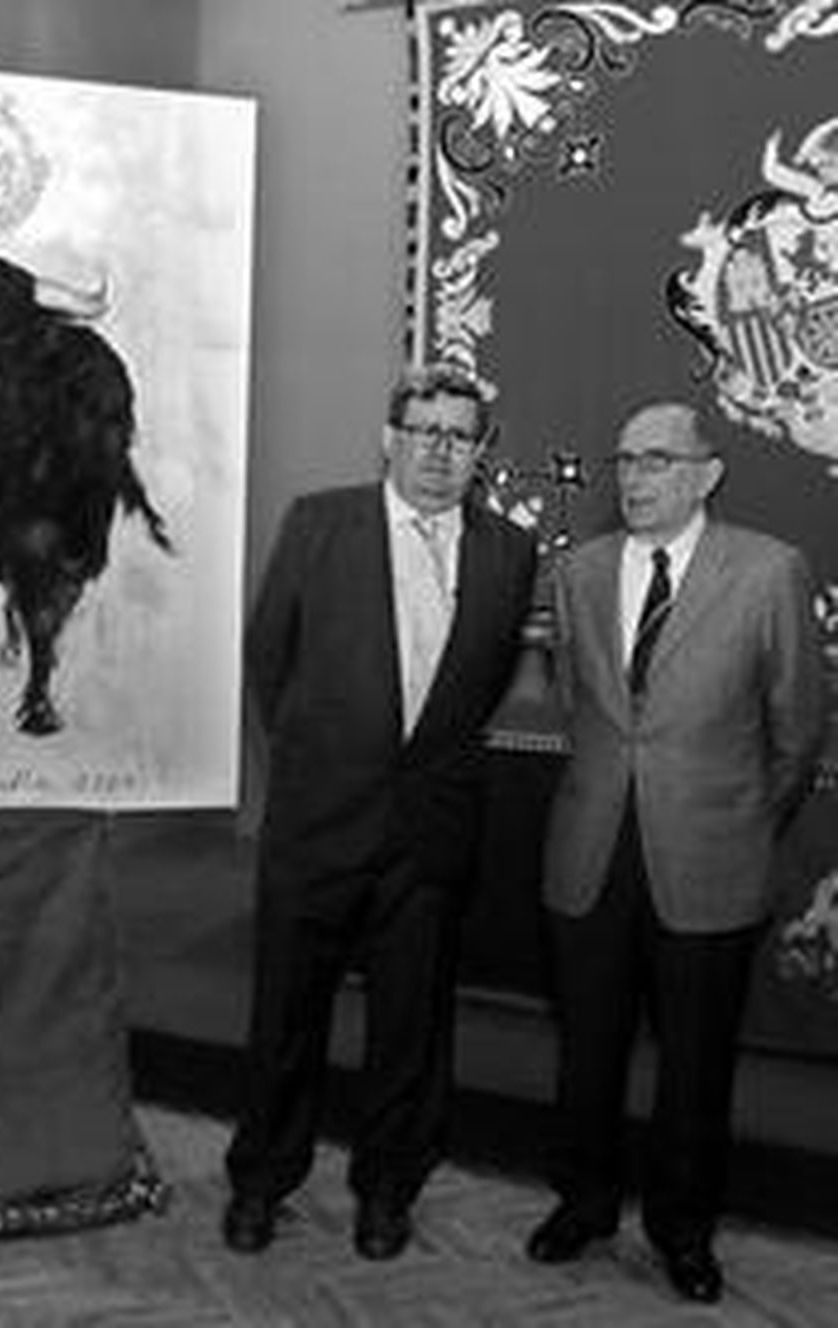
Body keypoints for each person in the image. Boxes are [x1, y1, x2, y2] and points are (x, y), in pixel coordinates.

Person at [223, 363, 538, 1259]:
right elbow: (268, 659)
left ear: (480, 453)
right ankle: (261, 1183)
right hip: (319, 823)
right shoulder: (320, 524)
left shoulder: (510, 553)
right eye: (425, 430)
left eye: (460, 436)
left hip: (429, 835)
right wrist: (322, 762)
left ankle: (386, 1192)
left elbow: (476, 690)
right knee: (287, 1018)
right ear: (388, 438)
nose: (440, 451)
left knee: (410, 1029)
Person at [526, 402, 823, 1303]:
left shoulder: (769, 572)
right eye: (625, 460)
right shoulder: (578, 572)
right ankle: (583, 1203)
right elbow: (584, 705)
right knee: (587, 1052)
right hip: (591, 852)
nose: (636, 477)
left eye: (657, 460)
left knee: (696, 1065)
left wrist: (732, 818)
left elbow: (798, 730)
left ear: (708, 472)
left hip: (712, 858)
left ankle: (683, 1232)